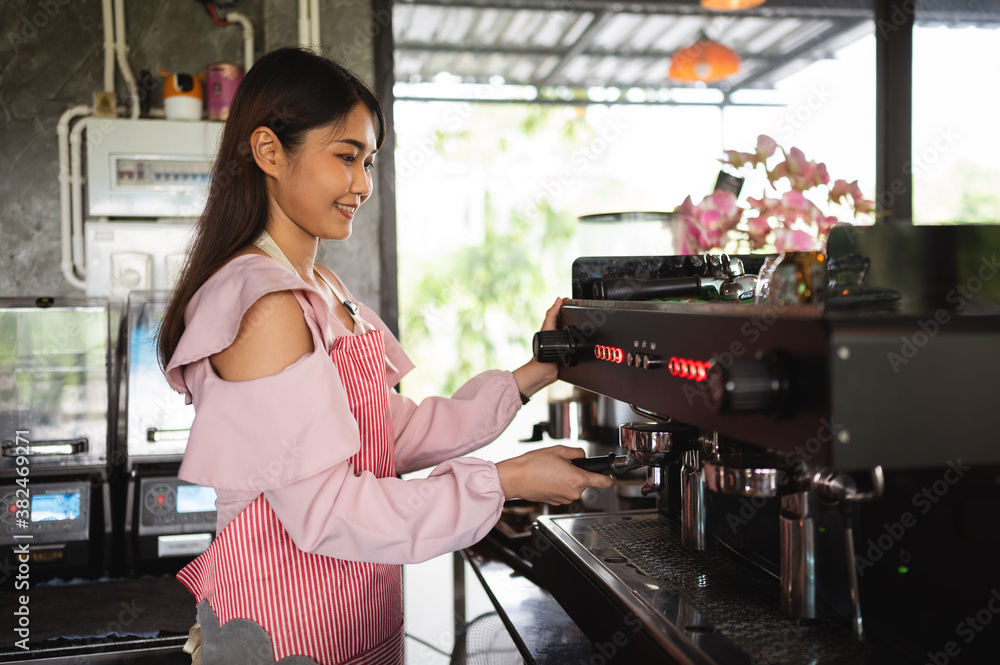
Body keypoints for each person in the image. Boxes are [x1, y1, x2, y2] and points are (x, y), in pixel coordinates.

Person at [157, 47, 612, 665]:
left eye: (369, 162)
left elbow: (390, 433)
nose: (363, 186)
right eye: (345, 158)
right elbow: (327, 511)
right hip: (288, 632)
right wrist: (506, 481)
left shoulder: (324, 289)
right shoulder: (261, 304)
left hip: (355, 615)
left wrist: (533, 373)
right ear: (269, 152)